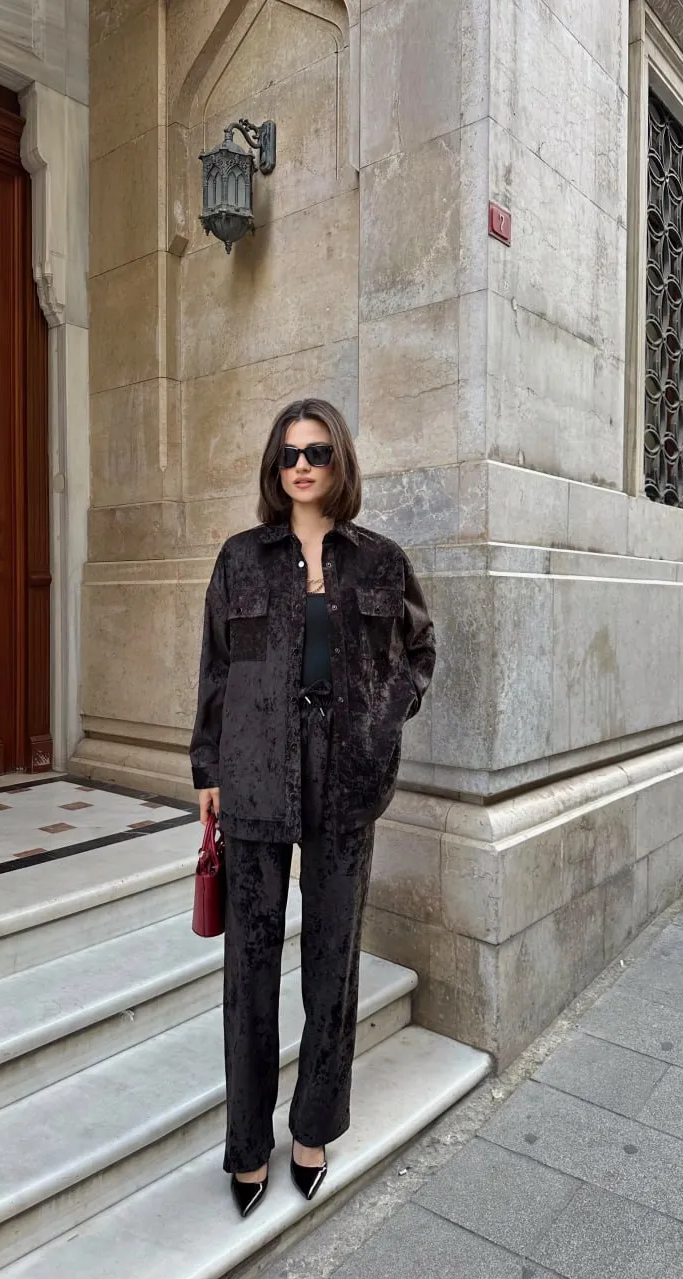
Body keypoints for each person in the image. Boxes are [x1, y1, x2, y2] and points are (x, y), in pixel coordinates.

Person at [189, 398, 436, 1219]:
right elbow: (216, 668)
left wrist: (383, 715)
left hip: (347, 780)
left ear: (340, 463)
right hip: (254, 775)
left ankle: (314, 1128)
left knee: (333, 963)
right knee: (250, 968)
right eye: (290, 453)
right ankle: (246, 1145)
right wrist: (206, 767)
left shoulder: (381, 562)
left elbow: (420, 650)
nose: (302, 465)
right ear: (275, 464)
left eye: (318, 452)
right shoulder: (241, 559)